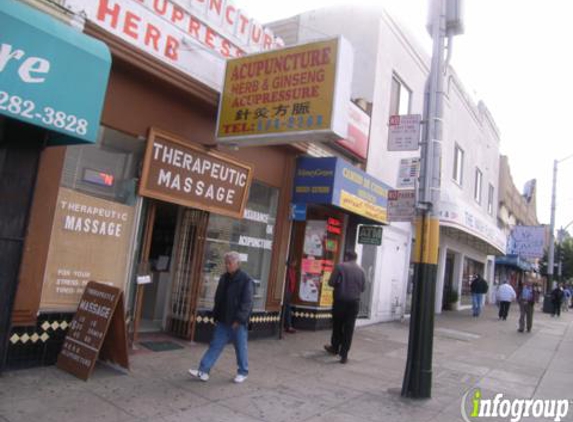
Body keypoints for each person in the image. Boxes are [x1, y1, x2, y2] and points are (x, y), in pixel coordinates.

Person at [189, 251, 253, 383]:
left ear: (237, 263)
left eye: (230, 263)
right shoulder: (224, 278)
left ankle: (243, 372)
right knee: (215, 345)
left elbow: (247, 302)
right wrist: (215, 314)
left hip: (237, 322)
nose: (227, 265)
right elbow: (219, 298)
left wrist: (239, 319)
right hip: (223, 319)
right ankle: (203, 371)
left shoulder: (246, 279)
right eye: (226, 263)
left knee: (240, 347)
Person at [324, 250, 366, 364]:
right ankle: (344, 355)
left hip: (340, 301)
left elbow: (331, 283)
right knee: (349, 328)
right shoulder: (362, 270)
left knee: (337, 325)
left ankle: (335, 347)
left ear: (346, 257)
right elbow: (363, 288)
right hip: (354, 303)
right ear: (356, 258)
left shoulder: (340, 267)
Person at [283, 259, 297, 334]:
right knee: (287, 308)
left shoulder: (291, 270)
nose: (295, 264)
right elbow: (291, 282)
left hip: (288, 291)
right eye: (294, 262)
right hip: (287, 291)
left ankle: (287, 325)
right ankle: (288, 326)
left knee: (287, 308)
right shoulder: (289, 270)